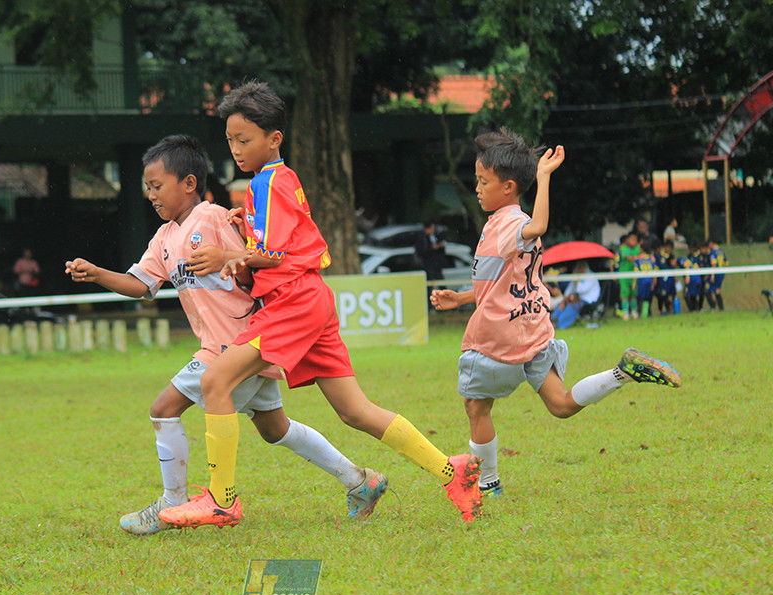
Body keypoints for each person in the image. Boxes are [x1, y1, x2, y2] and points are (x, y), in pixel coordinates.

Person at [157, 81, 483, 529]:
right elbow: (279, 242)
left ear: (275, 139)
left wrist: (227, 255)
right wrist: (246, 229)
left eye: (244, 139)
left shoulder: (268, 182)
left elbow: (273, 255)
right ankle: (453, 469)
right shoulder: (272, 182)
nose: (235, 148)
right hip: (312, 299)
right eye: (230, 140)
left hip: (292, 300)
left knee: (215, 381)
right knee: (355, 410)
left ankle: (221, 500)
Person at [65, 134, 389, 535]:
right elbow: (140, 284)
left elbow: (257, 260)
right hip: (232, 347)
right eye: (147, 188)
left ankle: (174, 504)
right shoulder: (164, 238)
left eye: (157, 186)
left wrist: (238, 264)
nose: (151, 195)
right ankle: (360, 480)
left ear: (188, 183)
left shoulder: (215, 218)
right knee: (276, 429)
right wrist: (96, 273)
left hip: (239, 343)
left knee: (163, 409)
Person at [430, 128, 682, 498]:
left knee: (476, 407)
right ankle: (623, 371)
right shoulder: (505, 221)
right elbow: (502, 283)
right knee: (561, 405)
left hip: (501, 338)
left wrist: (544, 178)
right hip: (532, 329)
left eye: (484, 182)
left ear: (509, 187)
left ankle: (489, 484)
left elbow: (538, 226)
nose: (478, 188)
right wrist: (464, 298)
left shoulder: (510, 223)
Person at [549, 260, 601, 329]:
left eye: (582, 267)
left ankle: (560, 324)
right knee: (562, 303)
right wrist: (565, 299)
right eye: (578, 267)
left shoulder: (591, 277)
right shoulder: (578, 276)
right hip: (577, 298)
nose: (580, 269)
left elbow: (581, 290)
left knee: (572, 306)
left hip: (588, 300)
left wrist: (576, 280)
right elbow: (570, 289)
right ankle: (552, 321)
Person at [415, 220, 448, 305]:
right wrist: (432, 248)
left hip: (437, 266)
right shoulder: (422, 239)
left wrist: (440, 246)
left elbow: (442, 250)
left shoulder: (436, 236)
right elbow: (420, 252)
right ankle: (429, 307)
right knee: (429, 288)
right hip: (428, 266)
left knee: (442, 286)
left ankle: (445, 304)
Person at [616, 232, 640, 319]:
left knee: (633, 294)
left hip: (634, 275)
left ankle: (634, 311)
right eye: (632, 239)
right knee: (625, 294)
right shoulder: (624, 249)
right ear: (627, 240)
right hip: (624, 275)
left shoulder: (637, 249)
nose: (634, 241)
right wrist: (637, 257)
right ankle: (625, 312)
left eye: (635, 240)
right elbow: (627, 257)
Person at [632, 242, 656, 318]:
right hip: (649, 280)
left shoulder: (639, 259)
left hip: (642, 281)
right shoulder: (650, 259)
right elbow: (654, 270)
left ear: (641, 249)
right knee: (647, 297)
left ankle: (640, 313)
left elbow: (636, 271)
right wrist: (654, 282)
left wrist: (634, 283)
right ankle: (647, 313)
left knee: (640, 297)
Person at [653, 240, 677, 315]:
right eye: (667, 248)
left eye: (670, 248)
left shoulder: (672, 256)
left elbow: (673, 267)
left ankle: (670, 310)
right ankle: (660, 310)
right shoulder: (659, 256)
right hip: (662, 279)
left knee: (672, 294)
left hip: (670, 279)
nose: (669, 250)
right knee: (662, 294)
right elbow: (657, 266)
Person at [680, 242, 704, 312]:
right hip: (692, 279)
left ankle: (698, 308)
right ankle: (693, 309)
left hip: (698, 278)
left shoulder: (700, 256)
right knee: (690, 294)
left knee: (700, 293)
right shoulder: (689, 256)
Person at [705, 238, 727, 311]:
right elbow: (726, 263)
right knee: (717, 290)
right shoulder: (722, 251)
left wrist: (712, 275)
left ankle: (713, 307)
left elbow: (713, 264)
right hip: (722, 273)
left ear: (711, 243)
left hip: (715, 274)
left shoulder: (713, 253)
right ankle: (721, 308)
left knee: (707, 290)